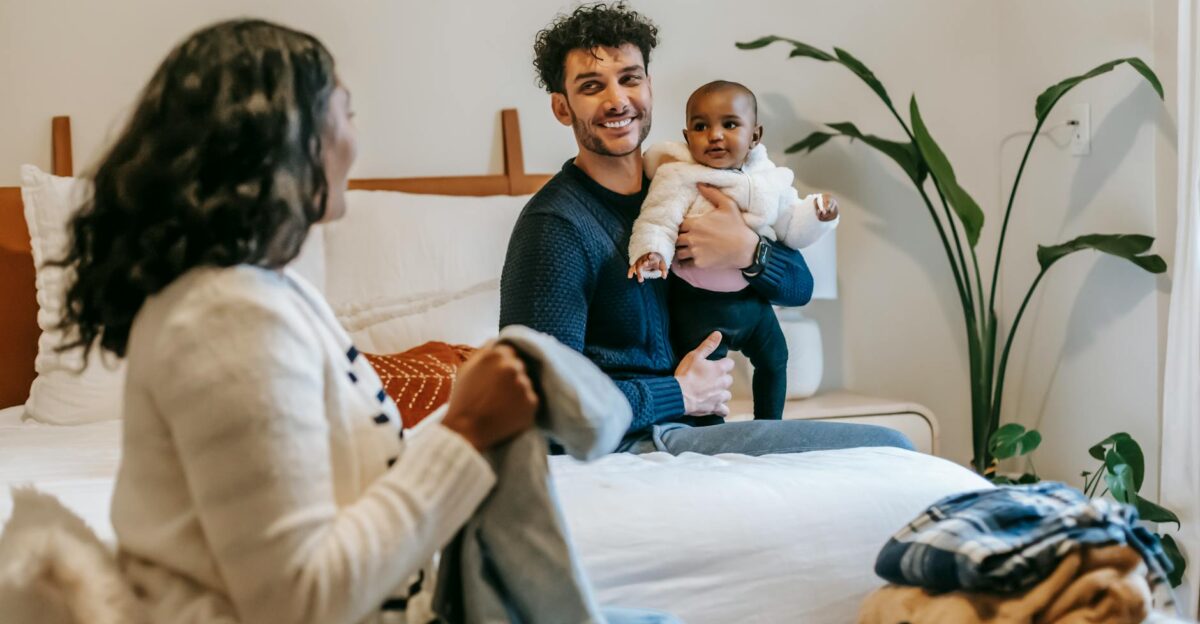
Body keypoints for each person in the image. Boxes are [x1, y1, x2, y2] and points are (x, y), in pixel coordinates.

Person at [56, 19, 537, 624]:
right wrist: (466, 432)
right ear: (290, 136)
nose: (358, 141)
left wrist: (467, 408)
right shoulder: (225, 317)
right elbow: (299, 603)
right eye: (348, 113)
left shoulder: (264, 291)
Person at [500, 2, 913, 455]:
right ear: (562, 107)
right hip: (633, 442)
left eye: (630, 78)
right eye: (592, 86)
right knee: (884, 449)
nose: (617, 100)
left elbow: (800, 288)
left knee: (891, 446)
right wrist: (678, 394)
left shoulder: (692, 185)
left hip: (697, 432)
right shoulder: (555, 226)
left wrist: (748, 252)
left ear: (650, 87)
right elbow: (540, 403)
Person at [628, 79, 840, 421]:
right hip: (698, 307)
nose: (714, 135)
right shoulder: (679, 177)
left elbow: (791, 225)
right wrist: (652, 252)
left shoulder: (768, 182)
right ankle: (709, 433)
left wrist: (818, 214)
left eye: (729, 124)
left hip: (750, 303)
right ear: (687, 137)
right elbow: (658, 219)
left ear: (755, 136)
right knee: (704, 381)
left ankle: (769, 425)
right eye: (701, 126)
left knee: (776, 359)